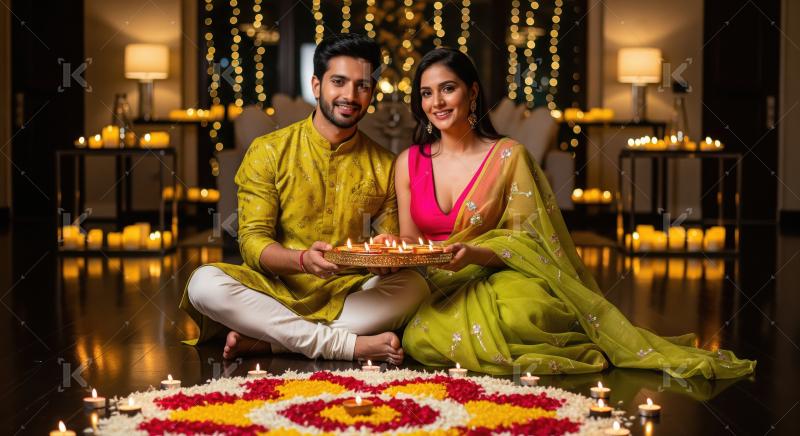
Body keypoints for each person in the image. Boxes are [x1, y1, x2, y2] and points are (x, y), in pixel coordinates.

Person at [397, 47, 755, 379]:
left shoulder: (508, 156)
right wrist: (395, 249)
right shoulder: (408, 163)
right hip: (435, 280)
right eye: (427, 93)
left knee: (528, 315)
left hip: (497, 273)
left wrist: (475, 253)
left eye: (447, 89)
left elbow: (530, 238)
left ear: (472, 93)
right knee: (417, 334)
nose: (437, 102)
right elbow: (410, 242)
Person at [181, 33, 429, 364]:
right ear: (316, 85)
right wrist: (302, 261)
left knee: (415, 286)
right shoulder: (269, 151)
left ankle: (273, 341)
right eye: (338, 82)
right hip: (274, 290)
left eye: (362, 86)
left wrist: (384, 256)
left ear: (372, 93)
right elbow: (253, 243)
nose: (350, 96)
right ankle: (347, 346)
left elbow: (390, 242)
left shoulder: (385, 164)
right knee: (203, 284)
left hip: (347, 292)